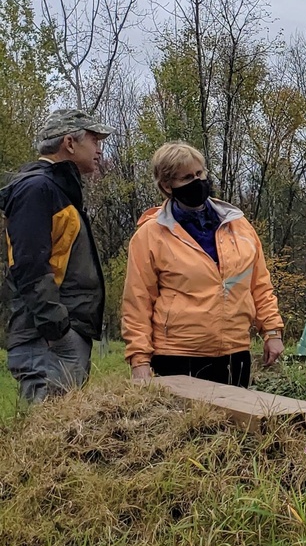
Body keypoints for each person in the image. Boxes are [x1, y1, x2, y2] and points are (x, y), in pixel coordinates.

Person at [122, 142, 285, 387]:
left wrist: (272, 331)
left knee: (234, 425)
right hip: (177, 354)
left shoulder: (238, 225)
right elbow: (138, 300)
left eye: (200, 174)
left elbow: (259, 284)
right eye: (187, 177)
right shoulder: (150, 235)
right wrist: (139, 360)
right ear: (167, 186)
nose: (197, 181)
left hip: (234, 350)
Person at [0, 109, 112, 404]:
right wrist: (58, 330)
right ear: (69, 143)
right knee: (45, 441)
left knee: (61, 439)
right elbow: (30, 266)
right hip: (48, 343)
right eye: (94, 139)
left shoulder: (56, 189)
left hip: (55, 340)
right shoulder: (38, 189)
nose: (99, 148)